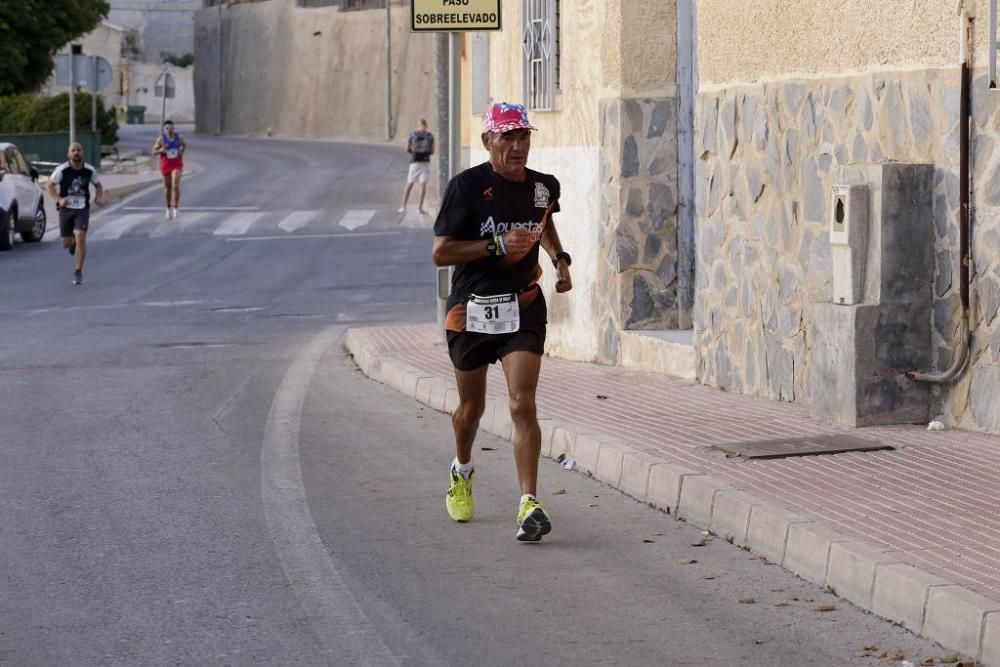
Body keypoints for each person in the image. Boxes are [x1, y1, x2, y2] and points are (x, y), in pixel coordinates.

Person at [432, 102, 573, 542]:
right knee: (470, 409)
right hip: (471, 309)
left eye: (523, 137)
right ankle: (462, 469)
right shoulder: (467, 187)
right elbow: (441, 252)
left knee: (520, 403)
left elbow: (543, 222)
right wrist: (495, 244)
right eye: (507, 137)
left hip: (522, 306)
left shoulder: (542, 186)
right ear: (488, 141)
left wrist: (559, 259)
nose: (517, 146)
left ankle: (529, 503)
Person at [48, 143, 103, 285]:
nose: (76, 152)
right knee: (66, 244)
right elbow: (49, 185)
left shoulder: (89, 170)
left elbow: (98, 185)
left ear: (82, 152)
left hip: (82, 209)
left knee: (80, 235)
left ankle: (78, 271)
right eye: (73, 150)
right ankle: (73, 243)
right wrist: (59, 199)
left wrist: (98, 197)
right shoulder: (62, 170)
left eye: (78, 150)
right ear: (69, 154)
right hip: (66, 208)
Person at [399, 118, 434, 215]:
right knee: (422, 185)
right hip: (425, 162)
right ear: (426, 125)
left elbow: (406, 149)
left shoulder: (413, 135)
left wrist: (413, 152)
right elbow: (432, 151)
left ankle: (403, 206)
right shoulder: (430, 136)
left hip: (414, 162)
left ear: (418, 125)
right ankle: (419, 208)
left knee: (409, 184)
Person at [152, 120, 186, 219]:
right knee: (167, 187)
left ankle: (176, 208)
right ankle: (168, 208)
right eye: (167, 128)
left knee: (175, 185)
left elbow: (184, 144)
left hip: (176, 164)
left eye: (171, 128)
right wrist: (161, 150)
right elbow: (153, 151)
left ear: (173, 128)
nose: (169, 130)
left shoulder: (178, 137)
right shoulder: (161, 139)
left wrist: (181, 152)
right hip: (165, 164)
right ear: (164, 129)